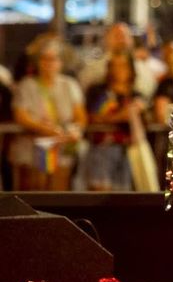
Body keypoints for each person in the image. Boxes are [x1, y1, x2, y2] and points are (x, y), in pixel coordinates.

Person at [10, 38, 87, 190]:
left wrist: (75, 130)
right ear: (38, 62)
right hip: (32, 150)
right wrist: (44, 129)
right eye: (44, 59)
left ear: (61, 62)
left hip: (61, 150)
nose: (48, 63)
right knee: (33, 193)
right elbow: (21, 116)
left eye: (53, 59)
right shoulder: (27, 84)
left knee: (58, 195)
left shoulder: (69, 84)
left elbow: (80, 116)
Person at [79, 51, 146, 191]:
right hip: (102, 149)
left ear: (131, 69)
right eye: (115, 66)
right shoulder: (97, 91)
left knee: (123, 196)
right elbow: (91, 118)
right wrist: (120, 116)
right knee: (99, 193)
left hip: (128, 151)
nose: (119, 70)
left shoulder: (136, 95)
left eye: (123, 66)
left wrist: (137, 112)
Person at [76, 22, 159, 100]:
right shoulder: (91, 70)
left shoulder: (144, 68)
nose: (121, 39)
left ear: (131, 40)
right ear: (106, 40)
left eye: (124, 36)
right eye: (117, 35)